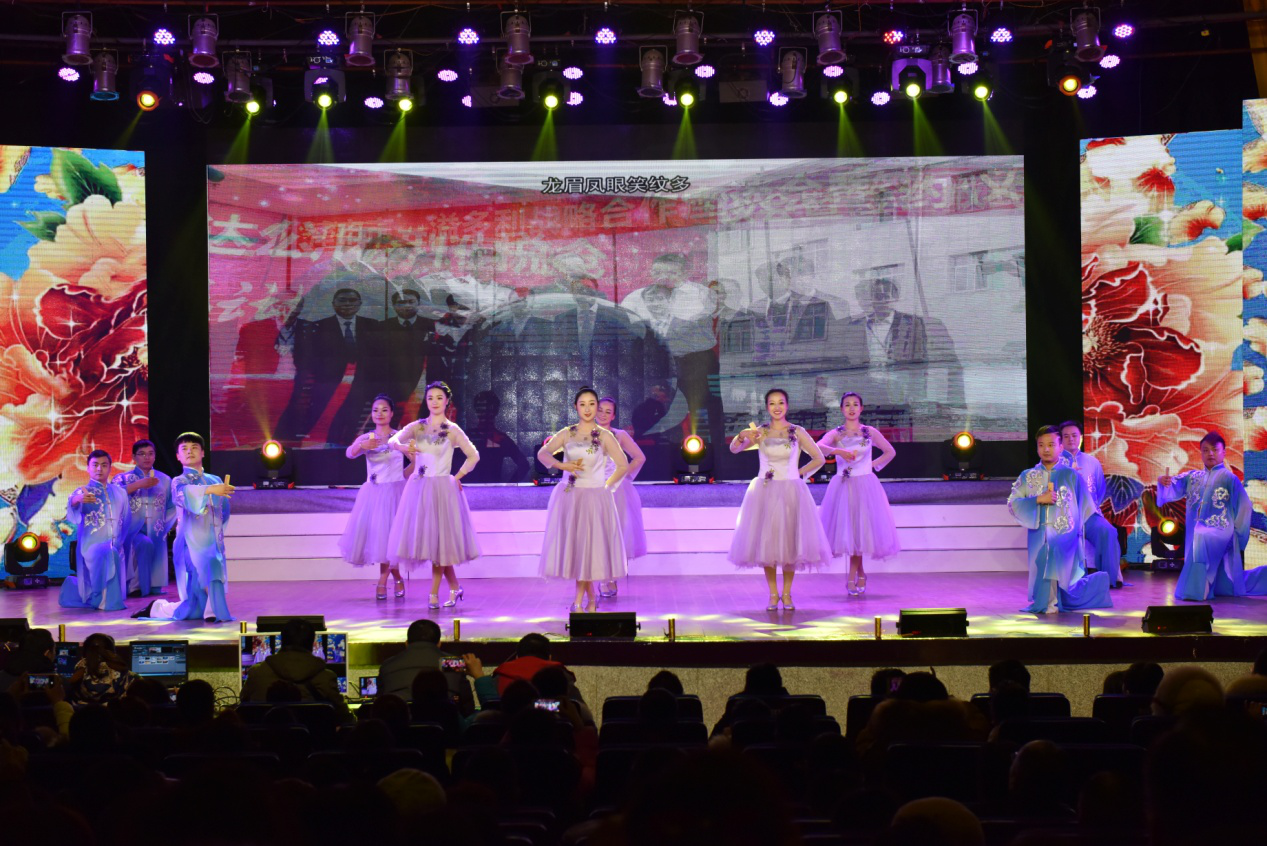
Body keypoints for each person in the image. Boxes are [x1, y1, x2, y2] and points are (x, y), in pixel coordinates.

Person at [728, 388, 830, 611]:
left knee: (790, 546)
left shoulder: (797, 431)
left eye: (781, 402)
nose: (777, 407)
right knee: (768, 546)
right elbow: (734, 449)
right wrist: (742, 436)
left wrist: (798, 473)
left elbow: (819, 458)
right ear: (767, 407)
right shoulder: (760, 432)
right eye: (772, 403)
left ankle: (787, 594)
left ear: (787, 406)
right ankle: (773, 594)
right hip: (765, 493)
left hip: (791, 493)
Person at [537, 387, 631, 611]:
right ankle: (590, 600)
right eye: (582, 404)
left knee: (589, 550)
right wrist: (561, 465)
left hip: (595, 498)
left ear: (596, 407)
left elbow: (623, 465)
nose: (587, 409)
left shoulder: (605, 436)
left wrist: (607, 487)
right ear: (575, 407)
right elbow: (543, 454)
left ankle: (579, 601)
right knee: (579, 551)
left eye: (591, 404)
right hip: (571, 497)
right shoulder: (567, 433)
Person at [388, 382, 481, 609]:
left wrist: (457, 477)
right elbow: (392, 441)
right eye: (430, 398)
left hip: (441, 490)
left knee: (440, 546)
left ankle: (433, 593)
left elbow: (474, 455)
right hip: (419, 490)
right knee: (434, 545)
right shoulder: (417, 426)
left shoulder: (453, 430)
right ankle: (455, 587)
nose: (435, 402)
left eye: (439, 397)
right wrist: (403, 448)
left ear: (447, 401)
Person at [620, 253, 723, 447]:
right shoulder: (639, 296)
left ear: (685, 273)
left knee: (702, 408)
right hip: (663, 363)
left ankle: (713, 450)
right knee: (665, 408)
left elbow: (682, 323)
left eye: (671, 272)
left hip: (695, 361)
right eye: (658, 272)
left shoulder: (698, 293)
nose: (663, 277)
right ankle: (669, 448)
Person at [1007, 425, 1112, 614]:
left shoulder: (1071, 475)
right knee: (1044, 561)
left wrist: (1074, 531)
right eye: (1041, 445)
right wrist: (1038, 499)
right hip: (1039, 533)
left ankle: (1051, 603)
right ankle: (1051, 602)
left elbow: (1086, 506)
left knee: (1052, 556)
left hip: (1065, 534)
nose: (1046, 449)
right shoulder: (1028, 476)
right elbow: (1013, 503)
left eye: (1051, 445)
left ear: (1060, 447)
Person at [1156, 431, 1267, 600]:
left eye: (1215, 450)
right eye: (1206, 450)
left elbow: (1244, 506)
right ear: (1201, 453)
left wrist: (1238, 533)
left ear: (1223, 453)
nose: (1210, 454)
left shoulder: (1230, 479)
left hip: (1221, 530)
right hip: (1196, 530)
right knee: (1200, 539)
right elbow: (1171, 487)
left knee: (1202, 538)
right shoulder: (1193, 477)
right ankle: (1211, 587)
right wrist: (1162, 481)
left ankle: (1197, 591)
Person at [137, 432, 235, 622]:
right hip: (190, 543)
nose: (190, 451)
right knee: (209, 572)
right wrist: (209, 491)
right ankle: (215, 613)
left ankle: (158, 608)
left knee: (194, 607)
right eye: (184, 449)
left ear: (203, 453)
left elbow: (224, 511)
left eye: (194, 448)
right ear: (178, 456)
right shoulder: (179, 481)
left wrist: (217, 534)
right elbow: (183, 496)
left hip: (212, 541)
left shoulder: (215, 479)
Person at [816, 392, 900, 596]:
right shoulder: (837, 433)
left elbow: (890, 451)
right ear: (841, 409)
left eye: (855, 404)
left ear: (861, 408)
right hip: (843, 487)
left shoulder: (869, 432)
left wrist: (871, 465)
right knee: (853, 533)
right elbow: (818, 448)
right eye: (847, 405)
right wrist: (838, 452)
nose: (851, 408)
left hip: (865, 487)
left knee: (859, 533)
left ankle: (852, 576)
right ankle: (860, 573)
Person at [276, 287, 382, 445]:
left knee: (353, 421)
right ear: (333, 304)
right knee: (315, 418)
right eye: (342, 300)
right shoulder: (319, 327)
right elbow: (304, 358)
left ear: (360, 304)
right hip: (326, 385)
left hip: (360, 385)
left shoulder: (373, 325)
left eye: (352, 300)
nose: (347, 304)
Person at [339, 394, 408, 601]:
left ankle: (382, 581)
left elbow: (416, 459)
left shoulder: (400, 437)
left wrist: (404, 476)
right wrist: (362, 446)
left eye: (384, 410)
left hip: (395, 493)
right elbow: (349, 454)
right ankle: (396, 578)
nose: (380, 413)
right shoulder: (367, 438)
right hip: (374, 495)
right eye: (376, 410)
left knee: (391, 541)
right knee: (382, 541)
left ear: (392, 413)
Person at [58, 450, 130, 612]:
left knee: (112, 552)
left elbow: (126, 519)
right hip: (92, 545)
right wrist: (78, 500)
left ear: (110, 467)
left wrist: (120, 541)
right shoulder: (82, 491)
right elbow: (72, 505)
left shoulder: (120, 492)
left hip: (116, 544)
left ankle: (103, 599)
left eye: (104, 465)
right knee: (109, 553)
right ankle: (106, 602)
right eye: (95, 465)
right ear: (88, 468)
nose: (99, 469)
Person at [240, 618, 350, 721]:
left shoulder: (256, 673)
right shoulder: (326, 678)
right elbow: (346, 718)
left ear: (282, 642)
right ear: (311, 644)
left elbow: (243, 708)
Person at [1059, 420, 1126, 588]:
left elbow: (1099, 489)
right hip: (1063, 516)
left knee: (1109, 532)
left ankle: (1108, 579)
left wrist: (1089, 506)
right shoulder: (1055, 462)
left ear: (1081, 437)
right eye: (1066, 436)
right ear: (1060, 440)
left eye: (1074, 435)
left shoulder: (1092, 462)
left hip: (1089, 514)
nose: (1071, 439)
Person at [595, 396, 647, 598]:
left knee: (615, 535)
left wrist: (623, 474)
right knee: (597, 535)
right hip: (592, 491)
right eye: (600, 410)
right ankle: (601, 578)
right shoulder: (584, 434)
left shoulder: (619, 435)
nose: (603, 414)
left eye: (608, 412)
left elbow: (639, 457)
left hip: (616, 492)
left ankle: (611, 577)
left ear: (613, 416)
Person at [111, 439, 175, 598]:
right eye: (142, 454)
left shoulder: (165, 480)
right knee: (143, 544)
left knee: (154, 549)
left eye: (150, 453)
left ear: (155, 456)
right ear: (134, 457)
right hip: (131, 528)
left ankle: (152, 587)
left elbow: (172, 506)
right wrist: (139, 484)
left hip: (156, 528)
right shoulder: (122, 478)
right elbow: (113, 496)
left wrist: (165, 526)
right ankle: (134, 587)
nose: (147, 457)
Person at [377, 619, 482, 713]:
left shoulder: (389, 665)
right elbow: (467, 708)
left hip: (401, 726)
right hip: (446, 725)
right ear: (439, 644)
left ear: (406, 644)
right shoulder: (451, 663)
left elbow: (379, 704)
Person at [383, 287, 434, 423]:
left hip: (422, 381)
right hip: (393, 381)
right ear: (394, 305)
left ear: (418, 304)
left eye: (411, 302)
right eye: (401, 302)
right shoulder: (383, 327)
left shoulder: (431, 325)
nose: (406, 306)